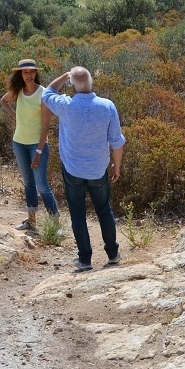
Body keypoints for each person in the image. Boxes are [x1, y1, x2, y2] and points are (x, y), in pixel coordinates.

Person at [42, 66, 125, 271]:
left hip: (72, 169)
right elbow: (117, 141)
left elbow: (47, 93)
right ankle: (112, 254)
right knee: (104, 209)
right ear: (91, 83)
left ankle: (85, 260)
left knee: (77, 213)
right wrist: (117, 166)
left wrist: (64, 76)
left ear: (72, 85)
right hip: (98, 169)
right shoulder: (107, 106)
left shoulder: (65, 105)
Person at [0, 59, 59, 231]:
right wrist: (15, 116)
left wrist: (39, 151)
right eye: (25, 72)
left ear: (36, 73)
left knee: (42, 185)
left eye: (32, 72)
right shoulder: (18, 91)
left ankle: (55, 223)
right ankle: (31, 221)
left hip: (37, 145)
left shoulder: (43, 93)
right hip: (19, 142)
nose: (29, 75)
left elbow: (46, 126)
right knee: (28, 183)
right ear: (20, 74)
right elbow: (3, 101)